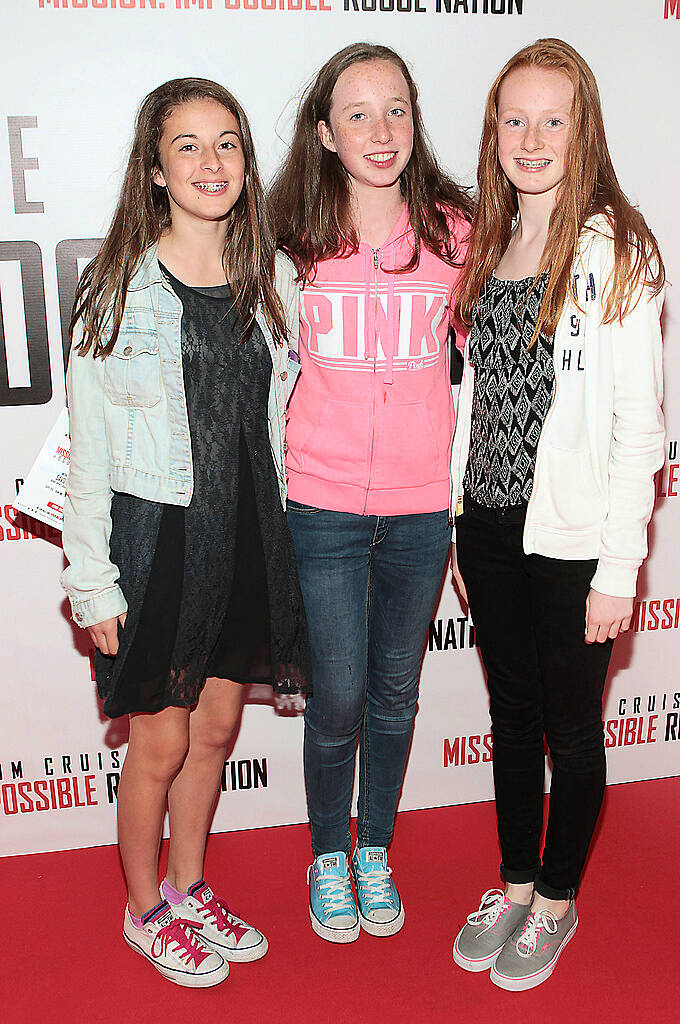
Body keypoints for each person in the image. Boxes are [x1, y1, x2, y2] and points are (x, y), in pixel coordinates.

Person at [61, 78, 311, 987]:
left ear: (246, 161)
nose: (211, 163)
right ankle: (145, 910)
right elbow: (87, 455)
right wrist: (92, 582)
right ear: (155, 170)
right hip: (156, 543)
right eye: (187, 146)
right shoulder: (114, 290)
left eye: (227, 143)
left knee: (211, 736)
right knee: (159, 744)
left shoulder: (276, 278)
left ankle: (192, 883)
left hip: (249, 538)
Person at [449, 39, 664, 990]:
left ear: (585, 133)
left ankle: (559, 901)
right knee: (512, 717)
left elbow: (637, 426)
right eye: (514, 119)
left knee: (572, 730)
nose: (531, 138)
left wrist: (620, 567)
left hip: (574, 539)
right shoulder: (489, 239)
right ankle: (516, 881)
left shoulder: (618, 246)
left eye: (553, 119)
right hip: (488, 524)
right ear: (493, 131)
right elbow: (474, 393)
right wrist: (461, 514)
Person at [269, 42, 472, 943]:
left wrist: (471, 508)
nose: (380, 131)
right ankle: (325, 853)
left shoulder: (456, 234)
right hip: (321, 506)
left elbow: (489, 370)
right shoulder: (287, 239)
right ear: (324, 131)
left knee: (396, 695)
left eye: (396, 109)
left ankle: (374, 850)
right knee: (340, 696)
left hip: (425, 508)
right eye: (357, 113)